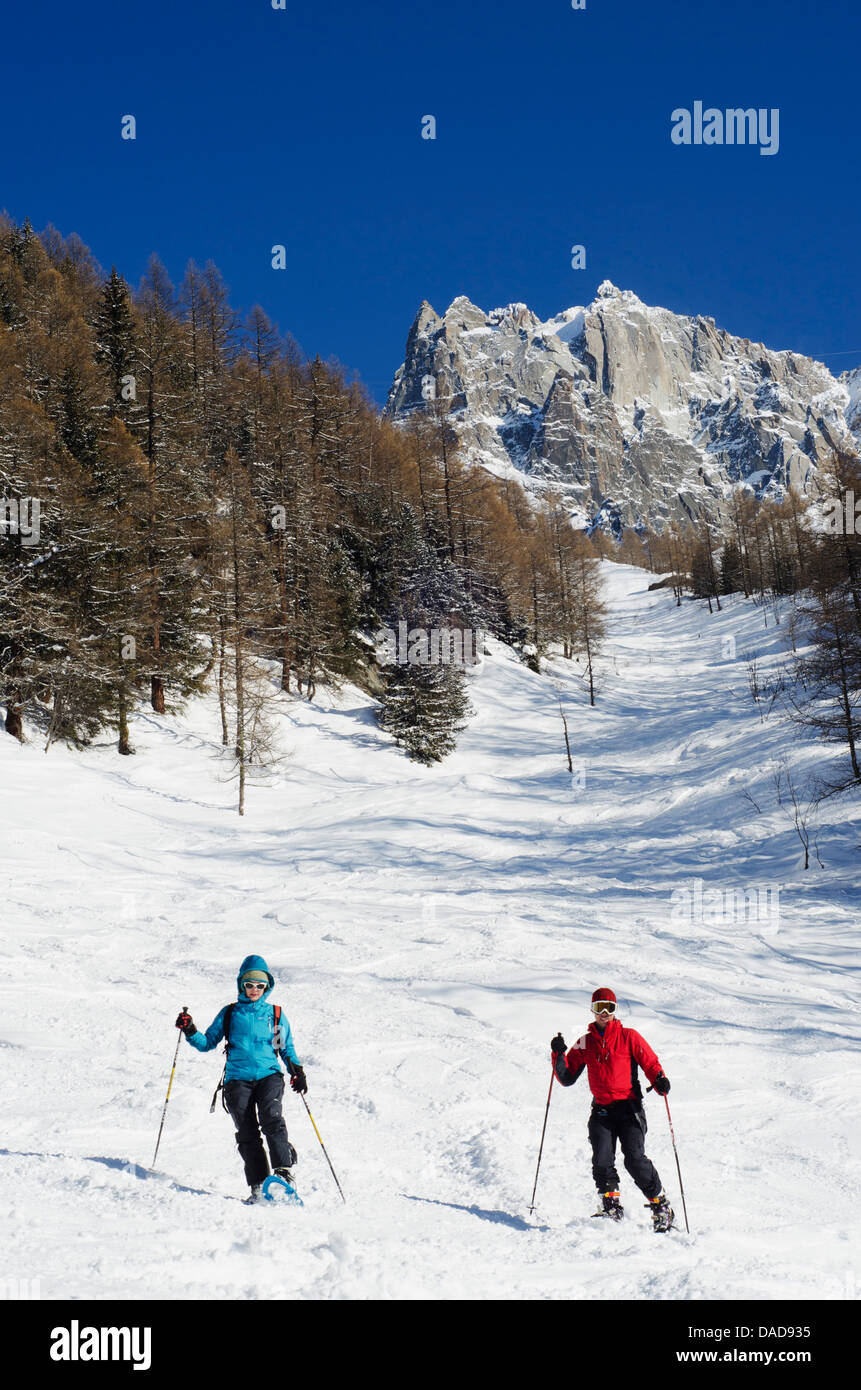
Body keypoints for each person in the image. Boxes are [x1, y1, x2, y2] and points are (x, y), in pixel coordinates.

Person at [175, 954, 308, 1204]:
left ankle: (283, 1174)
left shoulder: (275, 1014)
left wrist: (297, 1072)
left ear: (267, 986)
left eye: (260, 985)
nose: (255, 989)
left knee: (272, 1119)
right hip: (237, 1080)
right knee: (246, 1133)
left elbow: (285, 1048)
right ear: (241, 985)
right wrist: (190, 1029)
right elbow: (206, 1043)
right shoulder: (230, 1014)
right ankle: (258, 1185)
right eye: (250, 984)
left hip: (269, 1075)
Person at [551, 988, 674, 1231]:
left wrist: (659, 1080)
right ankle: (611, 1206)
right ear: (592, 1010)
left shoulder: (630, 1036)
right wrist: (558, 1053)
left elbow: (650, 1063)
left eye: (609, 1007)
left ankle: (661, 1205)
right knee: (603, 1157)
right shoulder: (585, 1042)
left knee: (634, 1159)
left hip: (629, 1108)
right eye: (599, 1008)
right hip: (603, 1110)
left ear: (615, 1010)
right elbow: (566, 1078)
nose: (604, 1013)